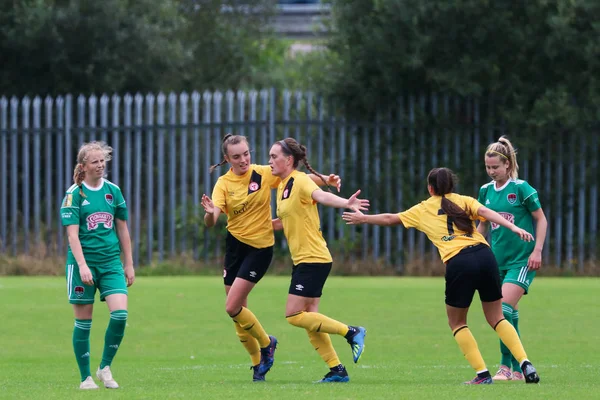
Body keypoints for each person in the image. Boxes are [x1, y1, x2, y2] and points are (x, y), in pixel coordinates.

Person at [342, 167, 541, 385]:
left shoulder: (424, 208)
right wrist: (513, 227)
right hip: (485, 256)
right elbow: (487, 213)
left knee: (457, 322)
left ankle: (482, 374)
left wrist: (364, 219)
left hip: (460, 262)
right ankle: (525, 363)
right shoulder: (464, 200)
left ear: (430, 188)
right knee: (497, 318)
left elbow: (391, 218)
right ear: (452, 185)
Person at [201, 133, 342, 382]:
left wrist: (325, 180)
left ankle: (267, 344)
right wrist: (212, 213)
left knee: (232, 306)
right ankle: (258, 364)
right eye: (236, 156)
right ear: (227, 159)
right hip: (235, 247)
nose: (243, 160)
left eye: (246, 153)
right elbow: (211, 220)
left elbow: (297, 179)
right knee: (237, 313)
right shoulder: (223, 184)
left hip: (260, 248)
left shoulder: (262, 173)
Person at [268, 137, 369, 383]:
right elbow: (285, 221)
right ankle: (337, 370)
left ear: (288, 160)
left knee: (293, 315)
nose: (270, 161)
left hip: (312, 258)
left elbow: (322, 196)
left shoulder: (300, 181)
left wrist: (346, 202)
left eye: (274, 157)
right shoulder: (283, 185)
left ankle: (352, 331)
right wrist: (256, 227)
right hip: (308, 258)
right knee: (310, 318)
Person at [60, 141, 135, 390]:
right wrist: (82, 266)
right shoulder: (74, 194)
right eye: (95, 161)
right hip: (82, 264)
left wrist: (129, 264)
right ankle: (85, 378)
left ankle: (104, 367)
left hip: (111, 262)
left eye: (103, 160)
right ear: (84, 166)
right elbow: (72, 235)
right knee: (84, 323)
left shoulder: (113, 191)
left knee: (120, 315)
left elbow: (122, 229)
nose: (100, 165)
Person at [477, 136, 548, 381]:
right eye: (488, 167)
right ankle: (519, 370)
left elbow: (541, 219)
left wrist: (537, 250)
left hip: (522, 260)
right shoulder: (485, 191)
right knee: (509, 312)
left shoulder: (521, 188)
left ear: (507, 165)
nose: (491, 171)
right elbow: (483, 226)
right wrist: (473, 252)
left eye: (495, 167)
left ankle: (506, 367)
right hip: (496, 262)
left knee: (502, 309)